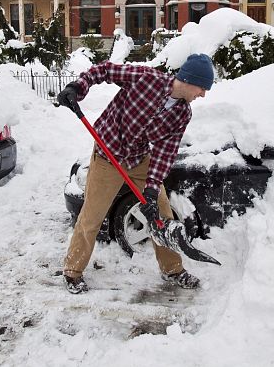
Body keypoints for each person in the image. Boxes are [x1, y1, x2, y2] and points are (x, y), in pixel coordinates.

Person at [56, 54, 215, 294]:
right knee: (92, 215)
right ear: (189, 80)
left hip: (138, 158)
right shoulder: (145, 79)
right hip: (108, 155)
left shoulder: (182, 114)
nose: (202, 94)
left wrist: (151, 190)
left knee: (161, 212)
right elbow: (105, 70)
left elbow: (165, 152)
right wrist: (77, 87)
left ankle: (172, 269)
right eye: (202, 88)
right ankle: (72, 270)